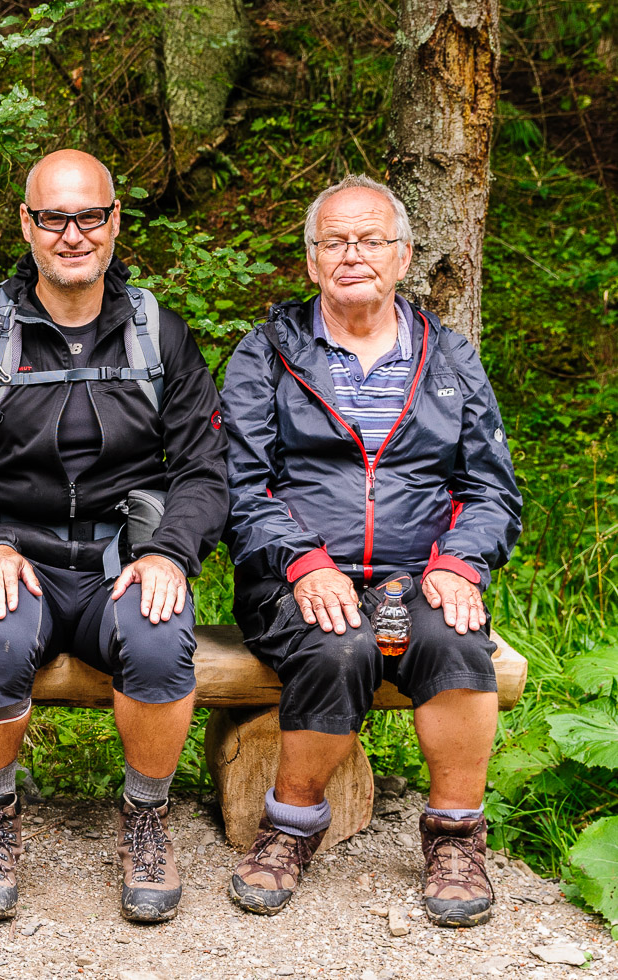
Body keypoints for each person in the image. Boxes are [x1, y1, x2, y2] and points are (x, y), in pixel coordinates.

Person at [0, 149, 229, 923]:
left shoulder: (160, 335)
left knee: (160, 638)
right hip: (15, 556)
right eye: (53, 217)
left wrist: (169, 553)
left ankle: (147, 817)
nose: (72, 234)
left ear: (114, 222)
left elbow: (204, 470)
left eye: (89, 215)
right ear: (27, 225)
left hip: (122, 558)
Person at [221, 174, 521, 927]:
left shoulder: (450, 358)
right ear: (313, 259)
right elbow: (239, 484)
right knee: (339, 643)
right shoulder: (266, 355)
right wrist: (302, 560)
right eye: (335, 241)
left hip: (421, 575)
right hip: (293, 577)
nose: (352, 254)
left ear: (403, 255)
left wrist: (459, 563)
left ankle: (455, 836)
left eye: (370, 240)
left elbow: (491, 490)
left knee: (455, 638)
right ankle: (289, 828)